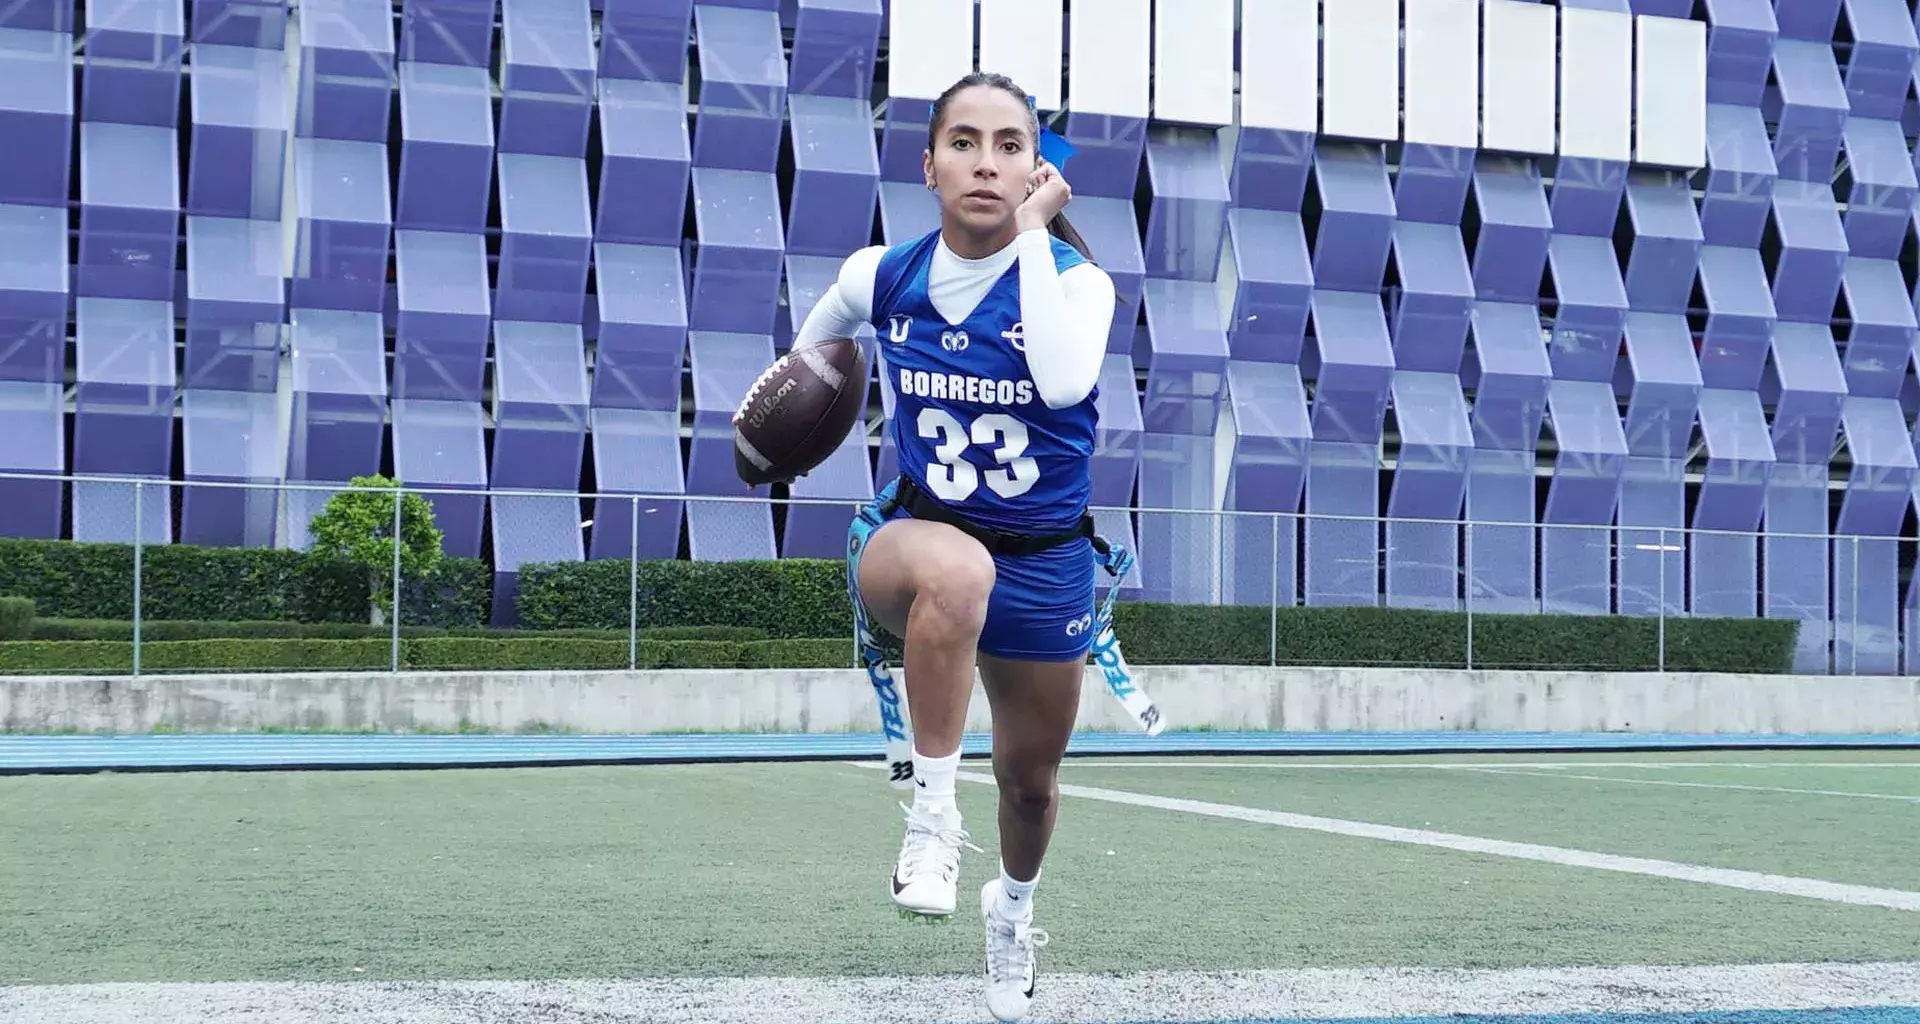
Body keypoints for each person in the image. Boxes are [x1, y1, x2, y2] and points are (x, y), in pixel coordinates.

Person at [787, 72, 1117, 1022]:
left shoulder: (1076, 284)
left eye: (1011, 145)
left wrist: (1030, 238)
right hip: (919, 540)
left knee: (1032, 785)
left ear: (1038, 170)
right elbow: (815, 357)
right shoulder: (878, 274)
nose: (985, 161)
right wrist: (784, 429)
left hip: (1046, 557)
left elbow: (1056, 383)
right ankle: (929, 819)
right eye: (963, 143)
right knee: (955, 568)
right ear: (928, 163)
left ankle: (1011, 908)